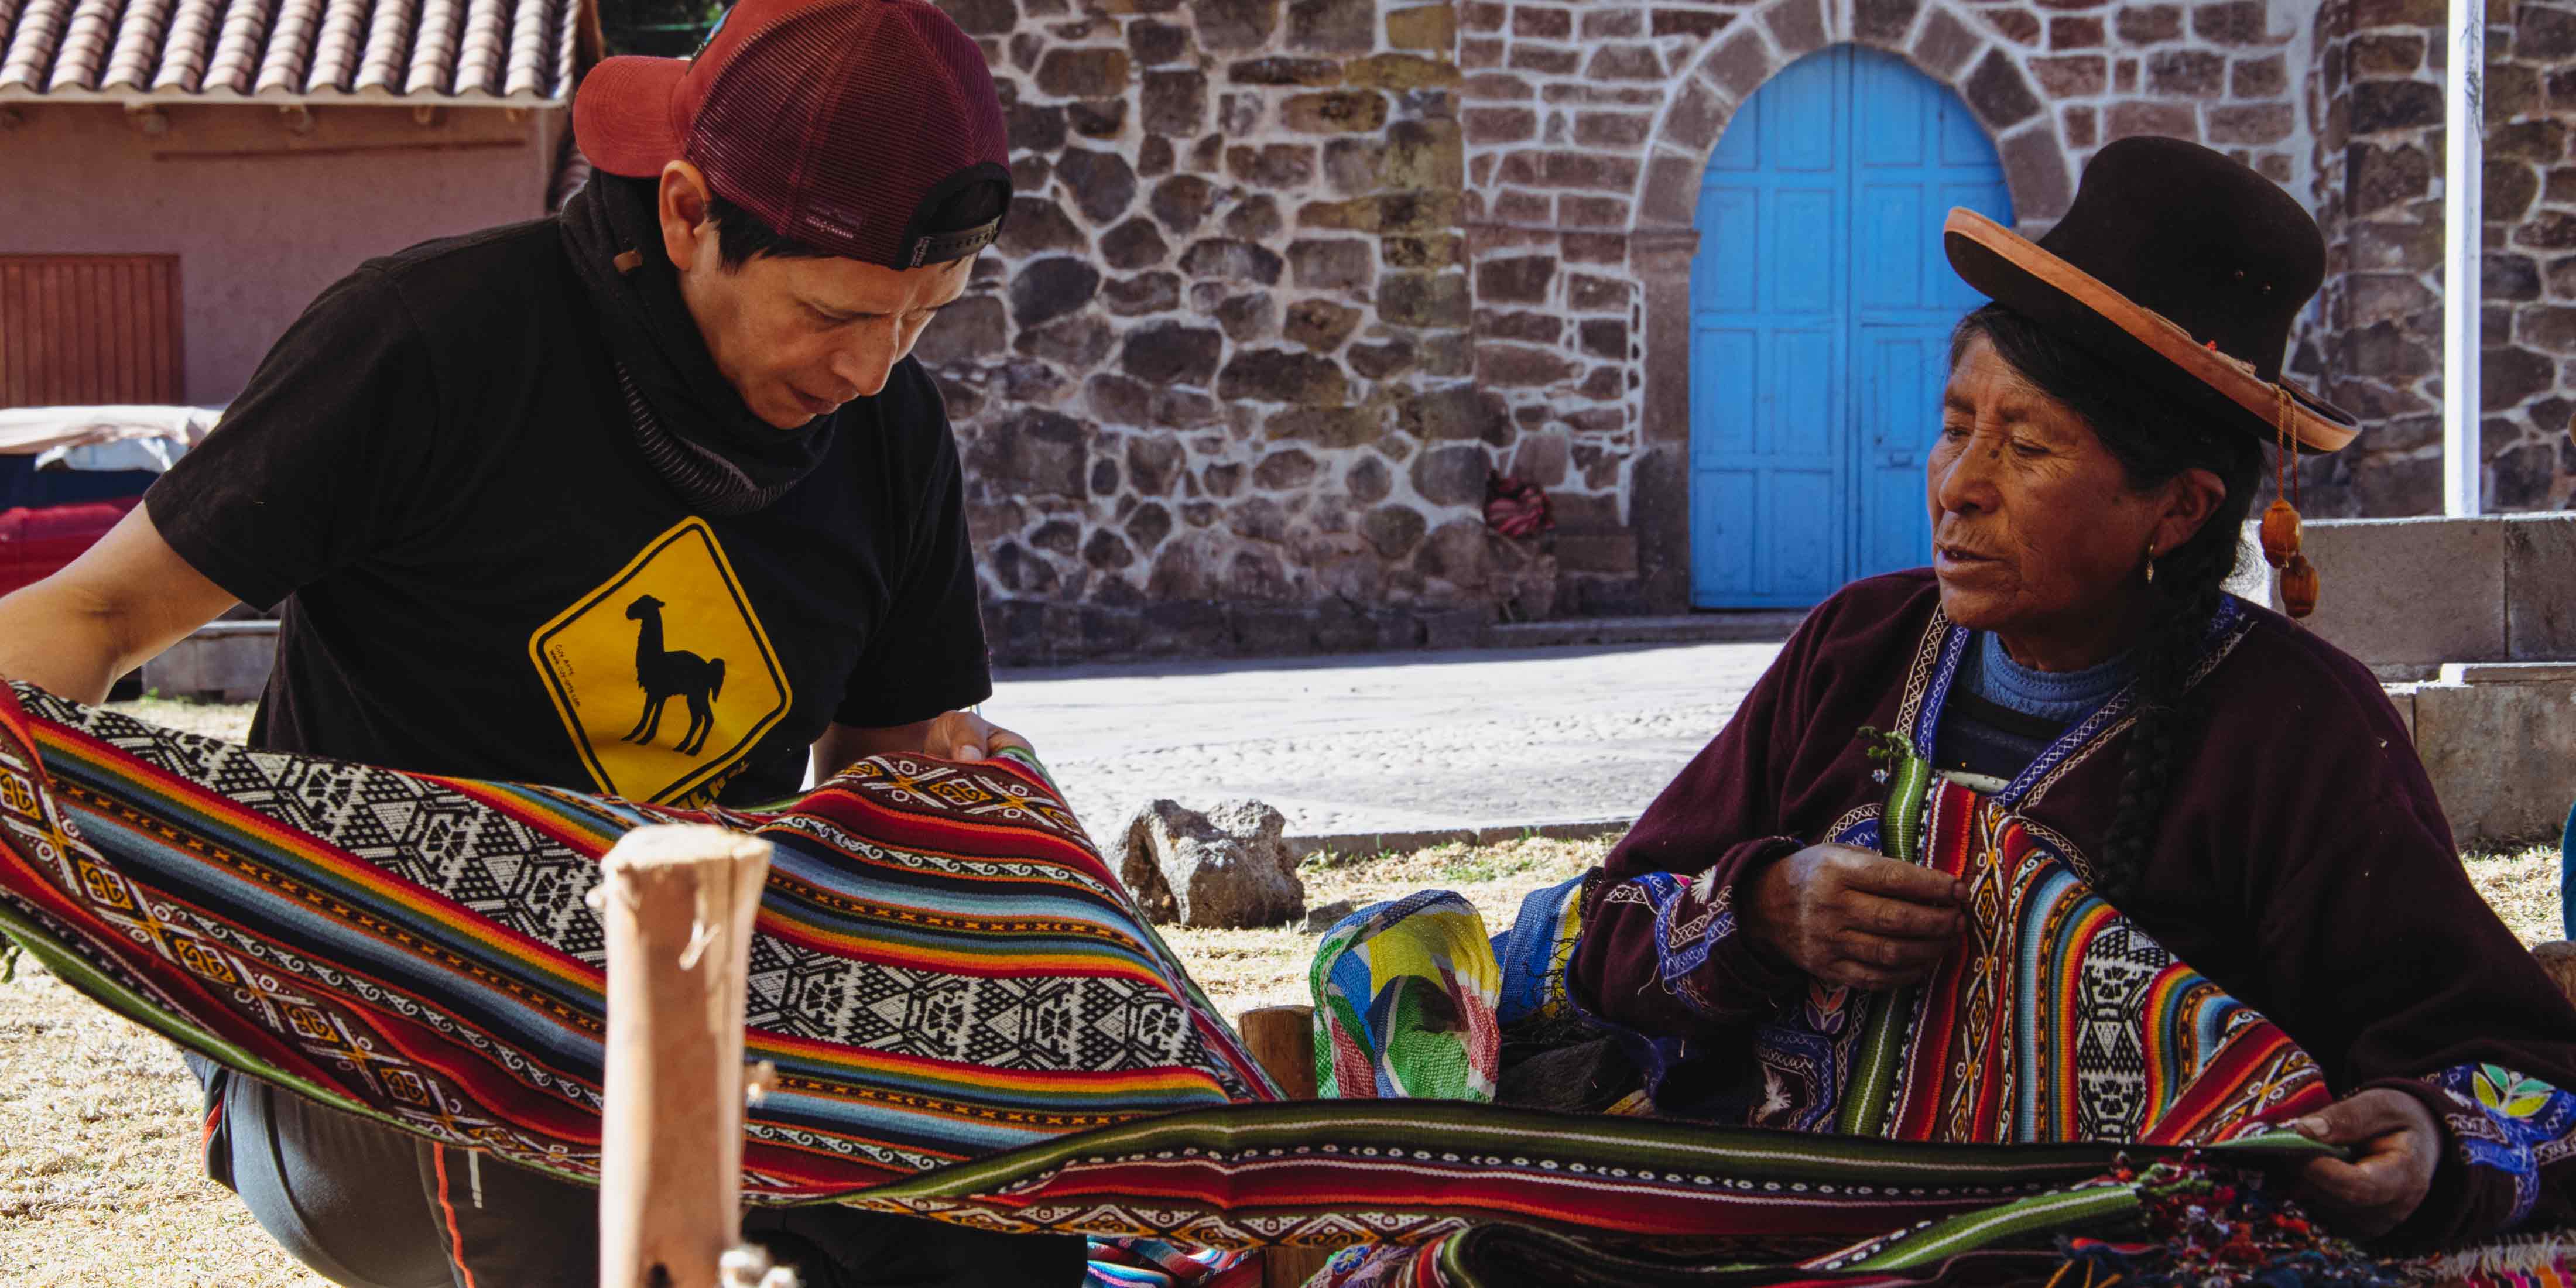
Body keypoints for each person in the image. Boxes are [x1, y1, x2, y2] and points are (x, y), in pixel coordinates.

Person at [0, 0, 1087, 1283]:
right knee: (580, 1198)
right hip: (375, 1036)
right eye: (832, 311)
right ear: (688, 211)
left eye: (923, 316)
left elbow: (885, 804)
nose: (869, 366)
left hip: (708, 1025)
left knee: (1002, 1233)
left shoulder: (890, 431)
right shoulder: (430, 343)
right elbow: (95, 613)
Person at [1556, 137, 2576, 1249]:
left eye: (2027, 447)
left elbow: (2509, 1065)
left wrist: (2425, 1140)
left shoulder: (2300, 727)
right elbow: (1605, 935)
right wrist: (1762, 909)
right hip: (1780, 1231)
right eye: (1956, 428)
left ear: (2176, 511)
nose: (1960, 488)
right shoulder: (1859, 644)